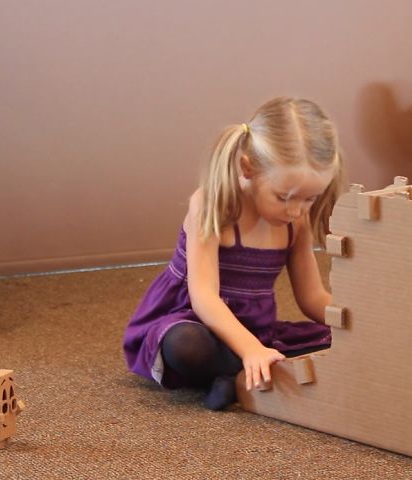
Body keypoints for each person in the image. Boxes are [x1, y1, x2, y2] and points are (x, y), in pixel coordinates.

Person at [123, 97, 345, 410]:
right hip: (193, 320)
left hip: (258, 330)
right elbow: (204, 298)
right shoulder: (212, 204)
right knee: (186, 346)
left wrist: (354, 321)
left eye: (310, 199)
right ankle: (240, 368)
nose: (296, 209)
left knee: (338, 341)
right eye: (284, 197)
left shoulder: (297, 220)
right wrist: (249, 349)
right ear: (247, 168)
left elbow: (311, 296)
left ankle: (234, 373)